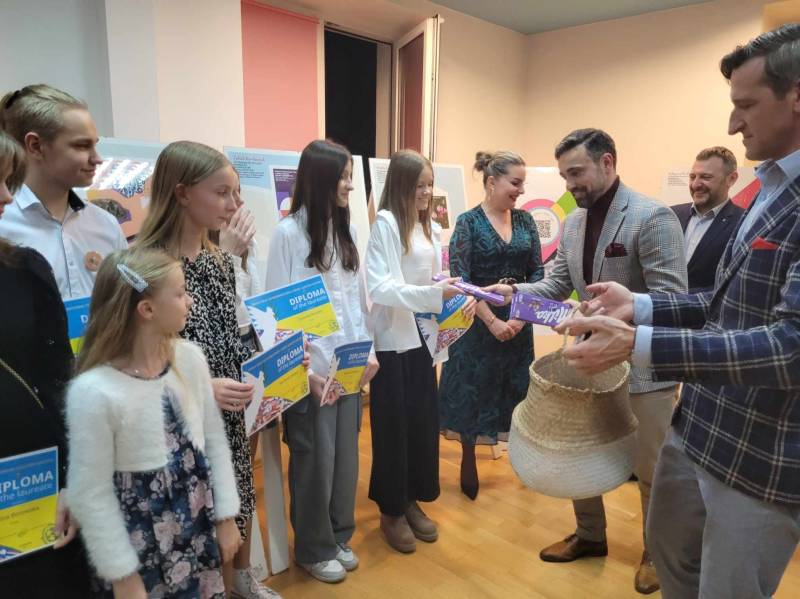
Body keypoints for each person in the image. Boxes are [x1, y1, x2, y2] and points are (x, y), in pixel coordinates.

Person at [554, 24, 800, 599]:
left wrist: (638, 342)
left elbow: (790, 346)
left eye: (746, 105)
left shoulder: (655, 213)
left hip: (759, 453)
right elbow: (724, 304)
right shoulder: (770, 185)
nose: (733, 124)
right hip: (700, 429)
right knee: (673, 564)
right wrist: (639, 305)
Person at [487, 130, 687, 595]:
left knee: (651, 468)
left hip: (645, 368)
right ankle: (590, 535)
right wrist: (513, 293)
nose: (569, 184)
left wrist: (611, 314)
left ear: (607, 163)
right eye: (564, 175)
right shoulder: (574, 222)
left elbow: (673, 301)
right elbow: (557, 283)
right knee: (582, 450)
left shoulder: (652, 216)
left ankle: (655, 552)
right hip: (589, 364)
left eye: (576, 173)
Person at [136, 141, 280, 598]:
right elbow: (134, 363)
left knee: (233, 505)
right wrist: (199, 387)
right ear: (182, 193)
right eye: (222, 193)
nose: (234, 205)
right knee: (189, 529)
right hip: (177, 428)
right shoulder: (146, 268)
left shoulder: (218, 262)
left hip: (227, 420)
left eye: (236, 193)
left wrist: (270, 367)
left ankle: (238, 581)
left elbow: (229, 334)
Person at [65, 248, 241, 598]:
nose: (189, 301)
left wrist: (226, 516)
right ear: (147, 309)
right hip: (138, 545)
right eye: (179, 294)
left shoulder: (189, 360)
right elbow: (90, 491)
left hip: (196, 525)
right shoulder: (93, 391)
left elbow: (214, 440)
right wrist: (122, 574)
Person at [266, 139, 378, 583]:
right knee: (315, 459)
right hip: (311, 371)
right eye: (343, 177)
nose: (349, 185)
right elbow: (277, 313)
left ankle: (338, 535)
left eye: (350, 176)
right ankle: (314, 547)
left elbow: (357, 303)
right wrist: (304, 372)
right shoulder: (287, 234)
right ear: (321, 179)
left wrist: (368, 353)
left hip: (348, 365)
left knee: (345, 458)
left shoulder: (345, 231)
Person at [366, 149, 474, 553]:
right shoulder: (386, 223)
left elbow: (430, 276)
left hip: (425, 338)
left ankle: (411, 499)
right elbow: (381, 287)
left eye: (430, 185)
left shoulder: (429, 225)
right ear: (401, 185)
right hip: (394, 341)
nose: (427, 192)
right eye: (419, 185)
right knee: (393, 426)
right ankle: (391, 511)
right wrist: (433, 293)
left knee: (421, 423)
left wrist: (452, 290)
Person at [0, 131, 92, 598]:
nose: (5, 197)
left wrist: (73, 478)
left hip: (34, 486)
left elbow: (60, 382)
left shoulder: (25, 272)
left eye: (7, 181)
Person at [439, 150, 543, 501]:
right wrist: (493, 321)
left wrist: (518, 318)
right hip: (476, 324)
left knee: (515, 392)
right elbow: (462, 279)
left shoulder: (526, 221)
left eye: (523, 184)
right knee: (473, 391)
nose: (521, 191)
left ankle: (522, 460)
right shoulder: (468, 223)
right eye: (515, 183)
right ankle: (468, 459)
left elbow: (538, 273)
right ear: (492, 182)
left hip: (518, 323)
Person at [0, 84, 127, 298]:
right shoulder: (5, 224)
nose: (97, 159)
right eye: (81, 146)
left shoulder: (106, 225)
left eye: (94, 145)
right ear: (35, 145)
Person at [672, 146, 744, 292]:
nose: (695, 184)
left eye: (706, 177)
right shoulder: (671, 214)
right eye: (692, 177)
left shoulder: (743, 222)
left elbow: (732, 284)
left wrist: (680, 298)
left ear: (731, 179)